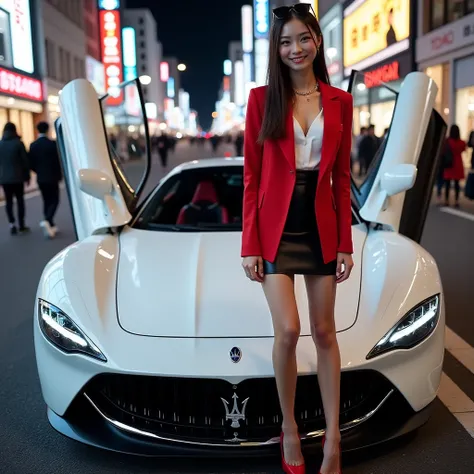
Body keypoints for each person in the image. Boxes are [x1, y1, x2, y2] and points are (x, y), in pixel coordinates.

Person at [241, 4, 354, 474]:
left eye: (302, 38)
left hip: (321, 221)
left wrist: (345, 240)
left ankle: (332, 438)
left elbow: (343, 176)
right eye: (285, 41)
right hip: (274, 226)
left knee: (325, 332)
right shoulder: (259, 99)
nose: (295, 48)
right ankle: (288, 427)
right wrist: (249, 244)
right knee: (288, 329)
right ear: (276, 48)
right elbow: (251, 176)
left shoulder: (340, 101)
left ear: (317, 41)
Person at [29, 122, 63, 238]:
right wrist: (60, 175)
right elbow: (58, 161)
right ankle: (48, 220)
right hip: (52, 176)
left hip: (41, 177)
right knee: (55, 200)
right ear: (48, 130)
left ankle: (50, 223)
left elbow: (31, 163)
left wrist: (38, 171)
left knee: (46, 200)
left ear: (37, 130)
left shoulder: (33, 145)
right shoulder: (52, 144)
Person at [0, 122, 30, 235]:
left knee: (8, 202)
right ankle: (21, 225)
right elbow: (25, 161)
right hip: (18, 178)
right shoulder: (18, 143)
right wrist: (27, 177)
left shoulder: (0, 144)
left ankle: (12, 224)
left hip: (5, 179)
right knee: (20, 201)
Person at [443, 124, 466, 207]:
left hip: (449, 164)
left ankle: (446, 200)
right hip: (458, 164)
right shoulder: (462, 143)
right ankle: (456, 201)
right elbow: (464, 149)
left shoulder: (448, 141)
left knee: (447, 184)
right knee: (457, 184)